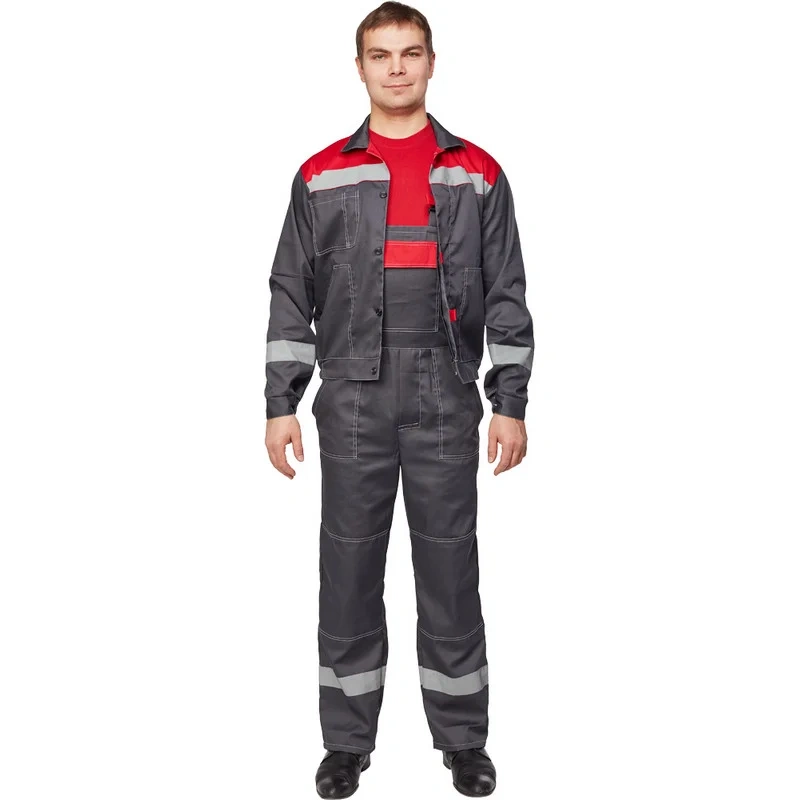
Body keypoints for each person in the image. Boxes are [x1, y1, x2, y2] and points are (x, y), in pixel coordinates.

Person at [263, 3, 534, 796]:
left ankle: (464, 741)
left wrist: (510, 401)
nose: (396, 68)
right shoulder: (321, 173)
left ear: (431, 62)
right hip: (351, 393)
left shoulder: (477, 172)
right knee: (348, 571)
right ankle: (346, 744)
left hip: (446, 392)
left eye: (410, 53)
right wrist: (281, 401)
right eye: (380, 55)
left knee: (450, 571)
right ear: (360, 68)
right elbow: (291, 292)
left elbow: (508, 292)